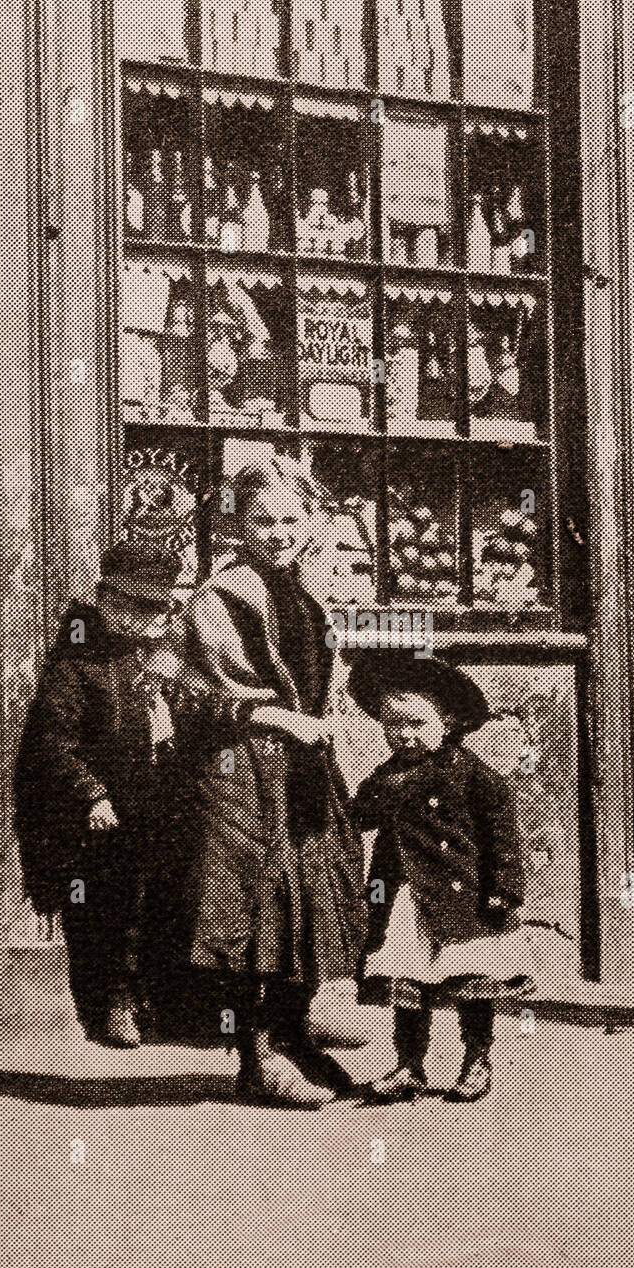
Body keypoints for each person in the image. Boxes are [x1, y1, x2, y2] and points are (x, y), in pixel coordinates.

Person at [174, 455, 367, 1108]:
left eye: (290, 519)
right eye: (264, 522)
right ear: (239, 527)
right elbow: (195, 695)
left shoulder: (304, 592)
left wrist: (326, 719)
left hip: (304, 772)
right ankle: (258, 1058)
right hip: (245, 774)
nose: (279, 532)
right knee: (260, 912)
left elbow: (323, 676)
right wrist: (284, 717)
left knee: (312, 905)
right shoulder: (220, 595)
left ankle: (294, 1037)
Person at [14, 541, 248, 1048]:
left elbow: (200, 712)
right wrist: (93, 794)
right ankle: (111, 1002)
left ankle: (174, 1003)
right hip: (109, 811)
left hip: (166, 799)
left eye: (159, 609)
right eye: (134, 608)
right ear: (104, 599)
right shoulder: (79, 665)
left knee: (173, 899)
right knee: (109, 906)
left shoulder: (169, 657)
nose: (149, 620)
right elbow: (52, 744)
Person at [347, 651, 531, 1103]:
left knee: (472, 980)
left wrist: (504, 890)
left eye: (415, 724)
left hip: (463, 895)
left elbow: (502, 839)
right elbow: (360, 816)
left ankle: (477, 1060)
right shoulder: (388, 775)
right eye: (393, 725)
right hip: (407, 895)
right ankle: (410, 1064)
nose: (403, 735)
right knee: (405, 981)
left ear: (448, 721)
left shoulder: (476, 776)